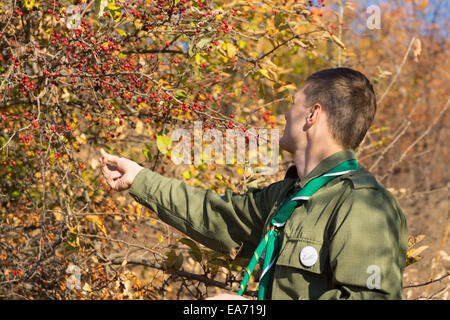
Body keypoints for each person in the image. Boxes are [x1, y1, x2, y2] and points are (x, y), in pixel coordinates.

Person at [99, 68, 408, 300]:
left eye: (294, 103)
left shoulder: (364, 205)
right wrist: (140, 177)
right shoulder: (288, 197)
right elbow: (216, 214)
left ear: (313, 114)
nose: (286, 113)